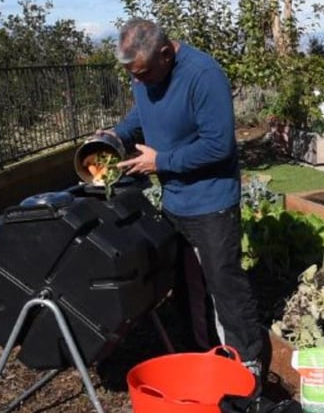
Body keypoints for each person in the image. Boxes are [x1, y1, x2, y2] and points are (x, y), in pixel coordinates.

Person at [97, 19, 263, 376]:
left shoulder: (204, 75)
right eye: (133, 76)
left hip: (211, 203)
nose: (138, 81)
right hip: (175, 202)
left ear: (166, 53)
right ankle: (202, 359)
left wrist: (162, 162)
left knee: (225, 287)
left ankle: (246, 367)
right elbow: (140, 115)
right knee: (188, 288)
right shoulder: (143, 72)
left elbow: (218, 145)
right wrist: (116, 134)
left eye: (143, 73)